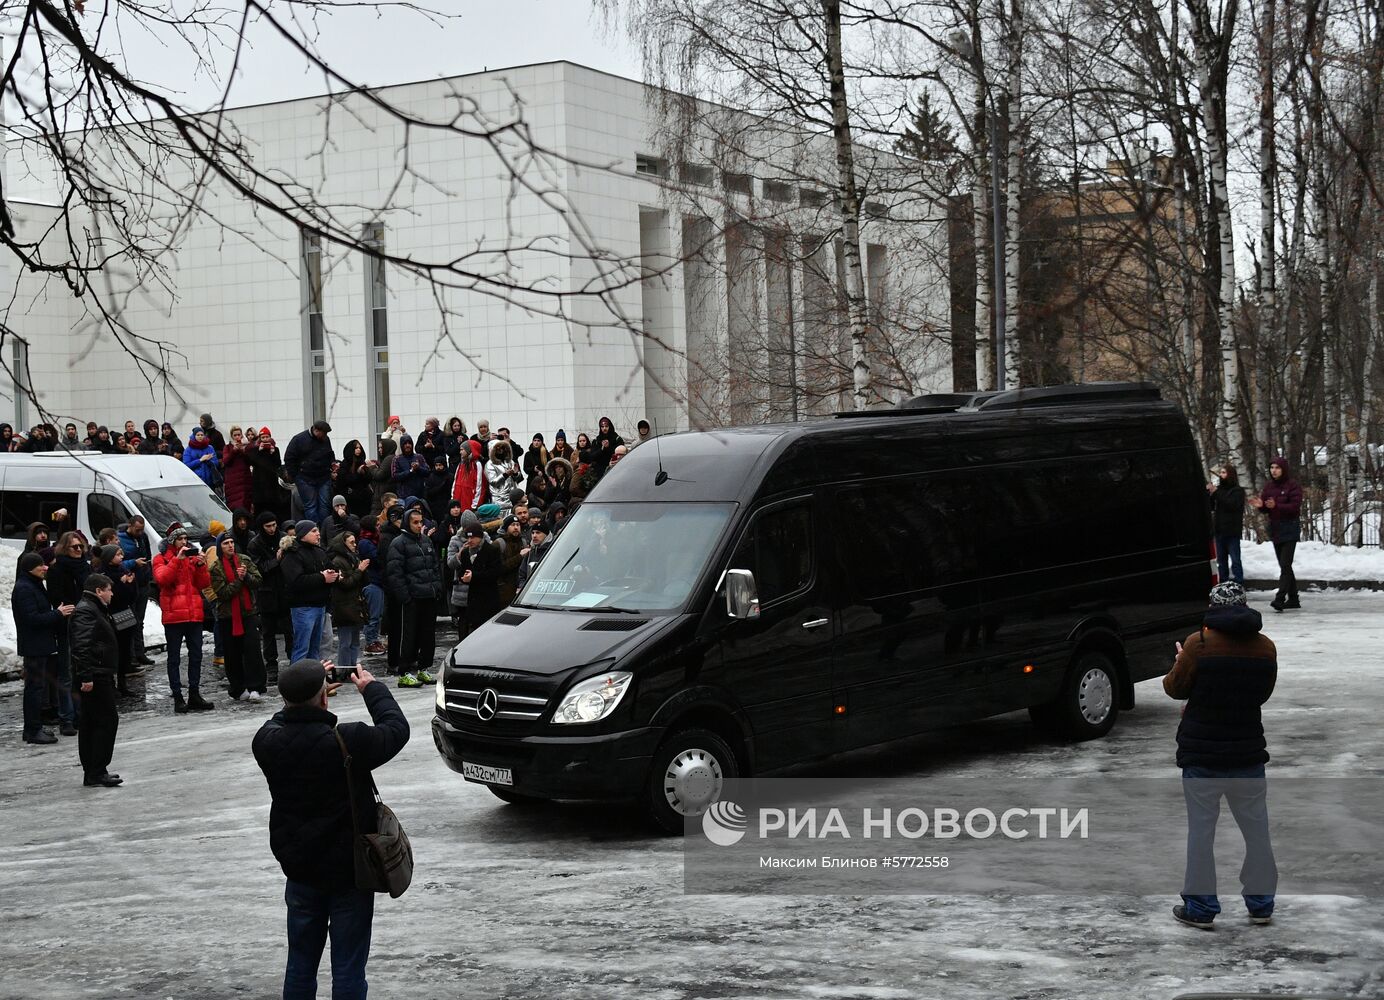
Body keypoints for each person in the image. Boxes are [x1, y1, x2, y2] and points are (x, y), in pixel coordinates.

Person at [251, 658, 409, 1000]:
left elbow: (284, 718)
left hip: (300, 867)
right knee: (349, 968)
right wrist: (372, 689)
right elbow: (396, 729)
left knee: (300, 964)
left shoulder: (265, 741)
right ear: (325, 698)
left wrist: (306, 689)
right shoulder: (347, 740)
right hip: (348, 870)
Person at [1163, 581, 1278, 929]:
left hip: (1203, 755)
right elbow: (1262, 694)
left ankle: (1200, 907)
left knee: (1202, 831)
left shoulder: (1198, 645)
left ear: (1212, 608)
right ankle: (1261, 903)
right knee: (1257, 830)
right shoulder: (1265, 648)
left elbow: (1174, 688)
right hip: (1247, 754)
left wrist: (1182, 660)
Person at [13, 552, 75, 745]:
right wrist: (57, 613)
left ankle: (35, 727)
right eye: (40, 565)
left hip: (41, 645)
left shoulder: (34, 584)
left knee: (38, 688)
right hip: (34, 647)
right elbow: (31, 619)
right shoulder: (24, 588)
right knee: (34, 689)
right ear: (30, 568)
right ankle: (32, 730)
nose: (45, 567)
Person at [153, 526, 215, 713]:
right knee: (174, 658)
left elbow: (203, 584)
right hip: (173, 616)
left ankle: (194, 694)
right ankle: (178, 696)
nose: (184, 542)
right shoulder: (161, 559)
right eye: (180, 539)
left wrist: (201, 566)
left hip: (193, 614)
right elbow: (162, 579)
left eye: (186, 539)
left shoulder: (190, 558)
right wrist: (177, 560)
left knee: (196, 656)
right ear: (172, 541)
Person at [70, 573, 123, 787]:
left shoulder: (93, 608)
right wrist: (86, 676)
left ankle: (93, 772)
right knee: (105, 721)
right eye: (109, 589)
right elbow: (81, 645)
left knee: (92, 722)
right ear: (99, 591)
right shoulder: (86, 610)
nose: (112, 593)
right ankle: (97, 770)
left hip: (97, 673)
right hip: (95, 675)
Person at [386, 508, 443, 688]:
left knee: (428, 635)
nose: (419, 526)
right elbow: (395, 573)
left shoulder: (426, 540)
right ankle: (404, 671)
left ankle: (424, 667)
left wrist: (437, 587)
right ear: (406, 523)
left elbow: (434, 566)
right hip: (412, 598)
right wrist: (405, 596)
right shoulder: (398, 543)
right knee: (408, 635)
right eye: (415, 522)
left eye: (420, 522)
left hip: (428, 595)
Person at [209, 531, 268, 702]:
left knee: (253, 651)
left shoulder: (244, 560)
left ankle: (256, 686)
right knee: (232, 654)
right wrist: (238, 579)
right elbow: (223, 593)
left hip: (248, 613)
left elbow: (258, 581)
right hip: (228, 617)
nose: (230, 546)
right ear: (220, 547)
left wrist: (246, 576)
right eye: (225, 543)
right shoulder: (216, 567)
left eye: (231, 542)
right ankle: (238, 688)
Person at [1248, 457, 1303, 612]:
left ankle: (1280, 598)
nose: (1274, 471)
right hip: (1276, 528)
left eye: (1277, 468)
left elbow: (1294, 506)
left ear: (1283, 469)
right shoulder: (1269, 486)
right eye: (1272, 467)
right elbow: (1267, 507)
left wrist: (1276, 505)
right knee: (1284, 565)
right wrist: (1261, 507)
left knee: (1285, 565)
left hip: (1290, 528)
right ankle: (1293, 598)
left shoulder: (1292, 486)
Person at [282, 520, 339, 661]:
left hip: (320, 605)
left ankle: (314, 680)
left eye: (318, 530)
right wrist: (322, 577)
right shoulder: (293, 554)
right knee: (302, 648)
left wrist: (334, 574)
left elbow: (330, 567)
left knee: (315, 649)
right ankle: (298, 681)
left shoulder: (319, 551)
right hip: (303, 607)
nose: (318, 534)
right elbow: (295, 581)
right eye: (313, 531)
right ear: (302, 534)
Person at [249, 512, 294, 682]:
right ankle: (271, 666)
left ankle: (293, 661)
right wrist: (276, 560)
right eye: (268, 526)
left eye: (274, 525)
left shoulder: (283, 538)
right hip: (266, 594)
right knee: (268, 633)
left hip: (284, 591)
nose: (272, 529)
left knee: (290, 630)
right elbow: (259, 568)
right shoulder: (255, 544)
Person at [97, 544, 140, 697]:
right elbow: (110, 598)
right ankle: (111, 685)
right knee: (111, 652)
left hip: (125, 614)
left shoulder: (123, 571)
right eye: (118, 555)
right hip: (111, 616)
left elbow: (132, 596)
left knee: (124, 650)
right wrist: (120, 583)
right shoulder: (103, 574)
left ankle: (122, 684)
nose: (121, 558)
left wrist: (130, 583)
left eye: (121, 554)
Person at [285, 420, 335, 526]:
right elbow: (289, 458)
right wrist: (296, 476)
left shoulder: (325, 439)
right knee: (311, 506)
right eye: (324, 433)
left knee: (324, 505)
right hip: (305, 477)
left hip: (323, 476)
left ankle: (322, 529)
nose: (325, 436)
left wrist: (332, 465)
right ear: (316, 431)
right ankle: (315, 529)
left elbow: (330, 454)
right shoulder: (299, 440)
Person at [454, 522, 502, 631]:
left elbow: (495, 573)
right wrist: (464, 578)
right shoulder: (466, 552)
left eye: (473, 537)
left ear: (480, 537)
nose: (470, 540)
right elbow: (462, 571)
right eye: (468, 537)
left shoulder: (492, 550)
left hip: (489, 600)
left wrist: (474, 576)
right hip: (473, 601)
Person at [1208, 463, 1246, 586]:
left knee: (1235, 560)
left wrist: (1216, 493)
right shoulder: (1219, 490)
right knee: (1221, 560)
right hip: (1220, 530)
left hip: (1232, 530)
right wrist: (1210, 494)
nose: (1221, 475)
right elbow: (1212, 507)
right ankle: (1223, 583)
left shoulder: (1237, 491)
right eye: (1221, 472)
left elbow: (1231, 504)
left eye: (1224, 472)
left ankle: (1239, 583)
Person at [250, 428, 287, 515]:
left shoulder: (275, 449)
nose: (265, 439)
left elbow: (278, 464)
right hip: (259, 483)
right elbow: (252, 462)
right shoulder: (255, 449)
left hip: (271, 483)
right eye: (263, 437)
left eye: (267, 437)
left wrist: (273, 453)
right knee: (260, 507)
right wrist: (259, 451)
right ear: (260, 438)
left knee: (273, 506)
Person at [485, 439, 523, 516]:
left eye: (502, 448)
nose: (500, 450)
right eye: (498, 448)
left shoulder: (510, 461)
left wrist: (516, 474)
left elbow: (517, 479)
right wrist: (505, 475)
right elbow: (493, 482)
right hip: (500, 498)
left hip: (513, 497)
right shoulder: (489, 464)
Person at [495, 514, 526, 606]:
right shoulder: (499, 543)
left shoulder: (523, 542)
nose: (516, 527)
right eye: (512, 525)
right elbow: (499, 568)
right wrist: (520, 556)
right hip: (503, 591)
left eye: (518, 525)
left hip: (520, 589)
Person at [222, 425, 255, 511]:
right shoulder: (227, 447)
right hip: (232, 481)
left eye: (239, 435)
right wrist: (234, 451)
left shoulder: (246, 446)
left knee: (245, 504)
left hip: (245, 480)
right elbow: (225, 461)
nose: (237, 437)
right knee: (235, 506)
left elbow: (251, 461)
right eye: (235, 435)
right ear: (232, 436)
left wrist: (243, 450)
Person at [338, 440, 373, 516]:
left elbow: (368, 480)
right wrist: (358, 473)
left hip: (364, 498)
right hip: (350, 498)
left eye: (359, 448)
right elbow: (344, 480)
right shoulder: (345, 464)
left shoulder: (362, 462)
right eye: (356, 448)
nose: (358, 450)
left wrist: (366, 472)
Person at [390, 435, 429, 500]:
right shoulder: (397, 459)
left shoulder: (419, 457)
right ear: (402, 445)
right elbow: (394, 476)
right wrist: (410, 471)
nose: (407, 445)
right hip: (404, 496)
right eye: (405, 443)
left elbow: (427, 472)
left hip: (420, 495)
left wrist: (418, 468)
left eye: (409, 443)